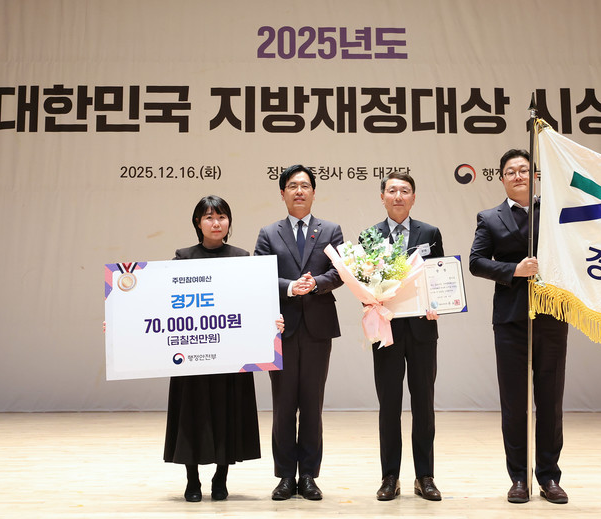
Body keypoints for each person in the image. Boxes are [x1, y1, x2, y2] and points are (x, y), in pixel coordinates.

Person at [163, 195, 284, 502]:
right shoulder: (183, 257)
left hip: (232, 356)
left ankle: (221, 477)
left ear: (229, 222)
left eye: (221, 217)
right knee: (191, 415)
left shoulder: (242, 257)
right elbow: (162, 301)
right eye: (209, 217)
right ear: (198, 222)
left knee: (227, 413)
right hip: (193, 357)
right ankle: (192, 479)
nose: (216, 223)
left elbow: (255, 301)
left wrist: (272, 322)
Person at [468, 149, 569, 504]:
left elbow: (597, 221)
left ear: (535, 176)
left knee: (550, 401)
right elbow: (476, 262)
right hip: (510, 319)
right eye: (510, 171)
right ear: (501, 179)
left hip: (552, 315)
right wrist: (513, 270)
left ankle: (549, 476)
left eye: (524, 170)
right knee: (514, 404)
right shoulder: (489, 218)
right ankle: (519, 478)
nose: (518, 176)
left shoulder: (556, 211)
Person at [254, 165, 344, 501]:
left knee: (311, 404)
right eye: (292, 186)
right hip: (281, 328)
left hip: (318, 328)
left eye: (305, 185)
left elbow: (341, 271)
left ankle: (308, 476)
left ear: (314, 192)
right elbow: (259, 274)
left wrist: (316, 283)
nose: (299, 191)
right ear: (282, 193)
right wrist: (291, 287)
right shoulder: (269, 233)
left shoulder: (331, 230)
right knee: (283, 405)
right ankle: (284, 476)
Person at [364, 171, 444, 502]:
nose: (398, 196)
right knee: (389, 406)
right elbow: (363, 282)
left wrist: (440, 302)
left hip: (423, 329)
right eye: (392, 190)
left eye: (405, 191)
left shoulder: (430, 233)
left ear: (413, 197)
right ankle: (390, 477)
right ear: (382, 197)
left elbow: (440, 275)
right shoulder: (370, 236)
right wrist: (370, 300)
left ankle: (425, 476)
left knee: (424, 404)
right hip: (387, 330)